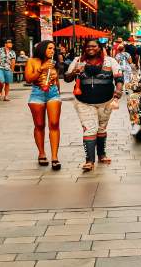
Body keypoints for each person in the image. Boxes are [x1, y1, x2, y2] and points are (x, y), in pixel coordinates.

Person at [64, 38, 124, 171]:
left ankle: (102, 155)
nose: (90, 49)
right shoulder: (78, 61)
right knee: (90, 128)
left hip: (106, 101)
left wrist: (118, 89)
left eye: (94, 46)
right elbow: (67, 77)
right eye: (88, 47)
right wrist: (74, 72)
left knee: (101, 128)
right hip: (83, 102)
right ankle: (89, 160)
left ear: (100, 48)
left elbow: (119, 77)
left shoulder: (110, 61)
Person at [24, 40, 62, 171]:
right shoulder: (32, 61)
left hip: (52, 93)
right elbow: (28, 78)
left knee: (54, 123)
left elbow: (56, 79)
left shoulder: (54, 62)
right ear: (42, 49)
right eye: (50, 48)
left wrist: (58, 91)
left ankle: (55, 157)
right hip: (37, 93)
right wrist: (42, 68)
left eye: (53, 49)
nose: (52, 51)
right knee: (39, 125)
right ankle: (41, 153)